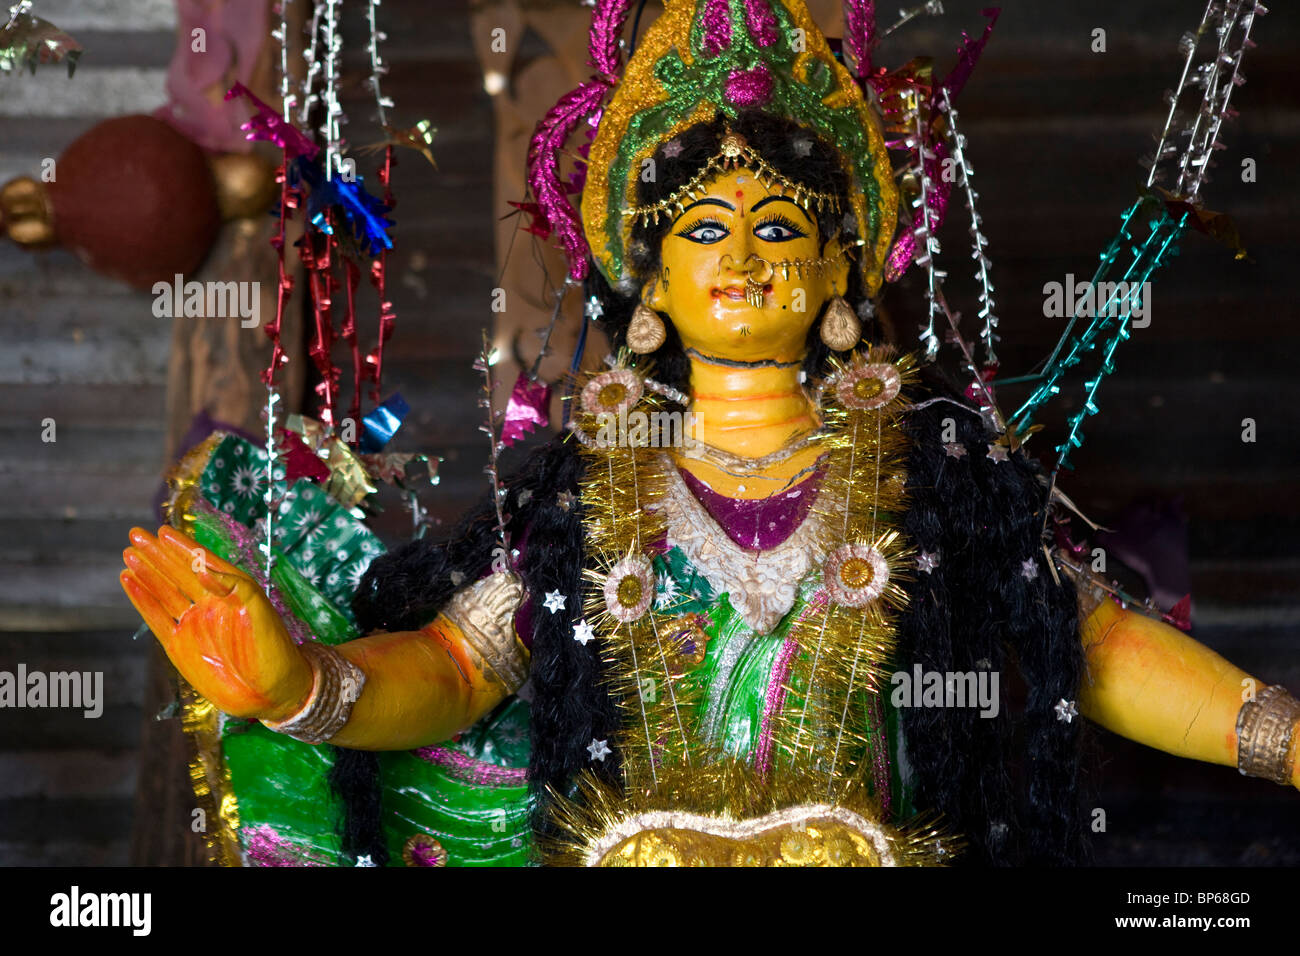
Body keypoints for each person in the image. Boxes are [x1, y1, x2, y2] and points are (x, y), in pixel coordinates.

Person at [120, 0, 1297, 867]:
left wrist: (1283, 736)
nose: (741, 255)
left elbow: (1089, 645)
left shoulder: (939, 479)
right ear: (651, 285)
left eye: (779, 222)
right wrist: (301, 690)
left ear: (841, 263)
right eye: (702, 228)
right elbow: (447, 669)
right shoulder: (583, 500)